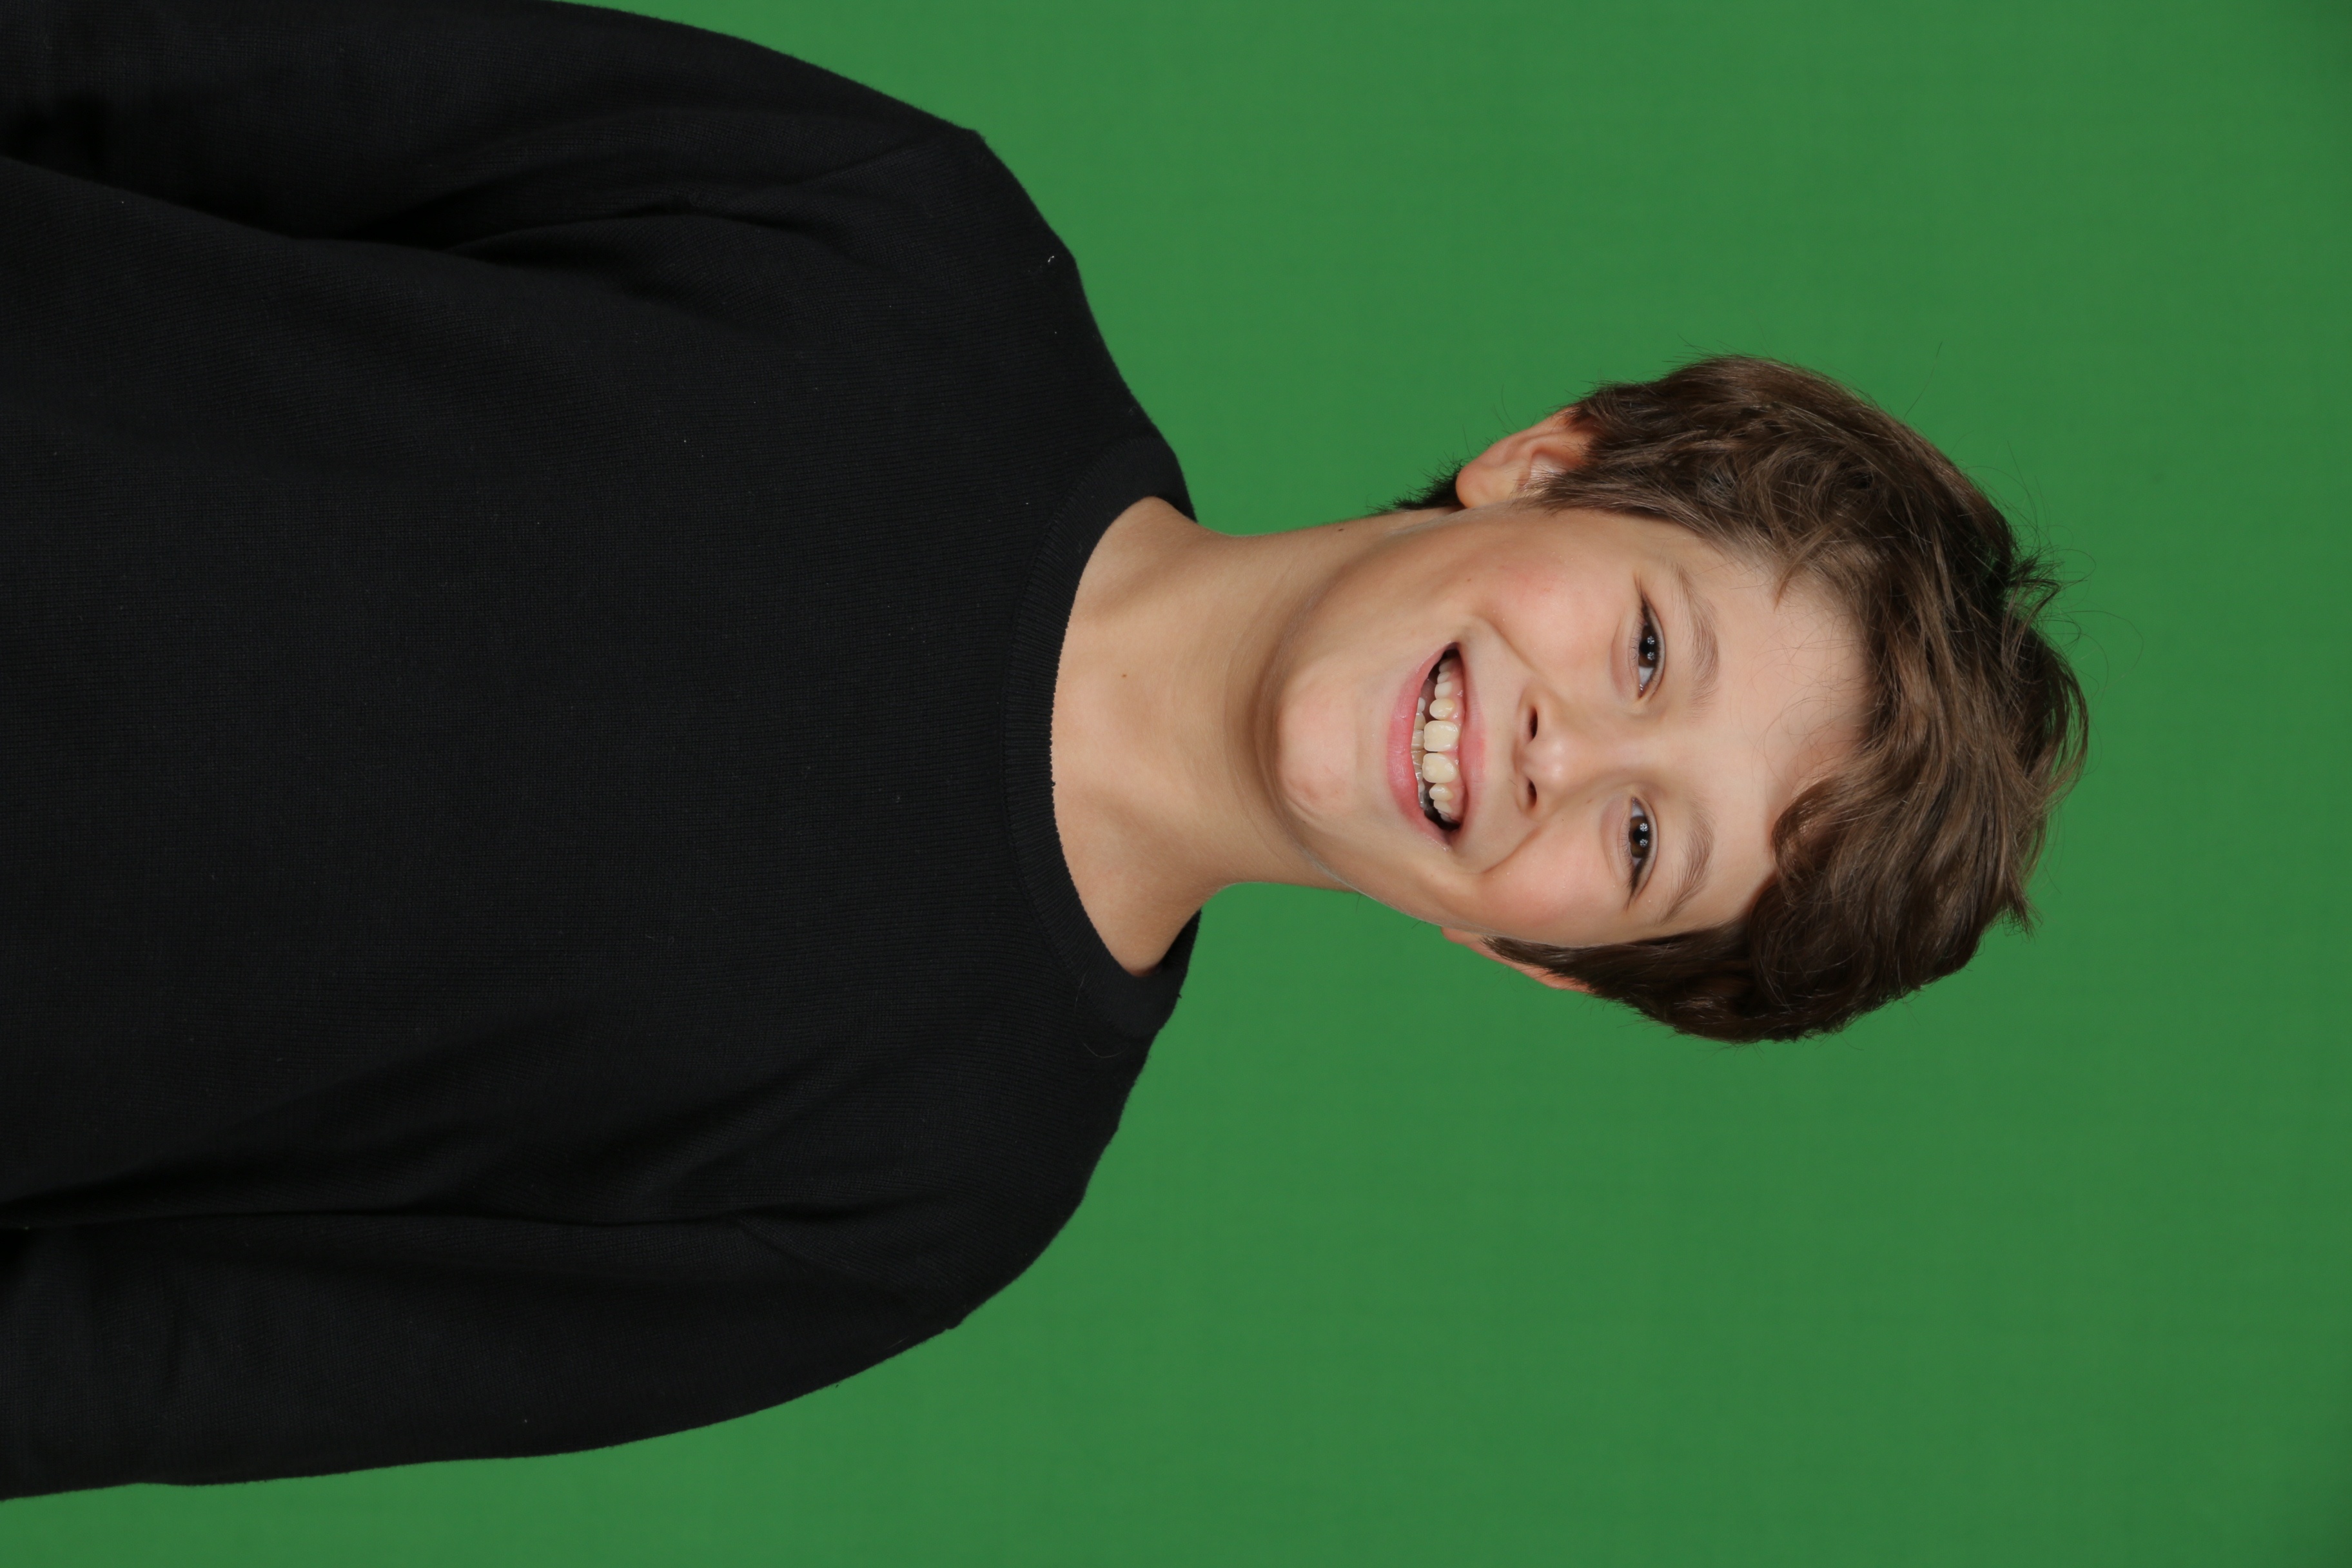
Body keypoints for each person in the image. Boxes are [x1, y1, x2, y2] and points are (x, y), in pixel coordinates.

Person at [0, 0, 2084, 1501]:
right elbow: (153, 64)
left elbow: (169, 1358)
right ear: (1554, 461)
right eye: (1644, 646)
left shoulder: (931, 1193)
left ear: (1532, 955)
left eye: (1643, 845)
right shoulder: (904, 243)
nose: (1572, 754)